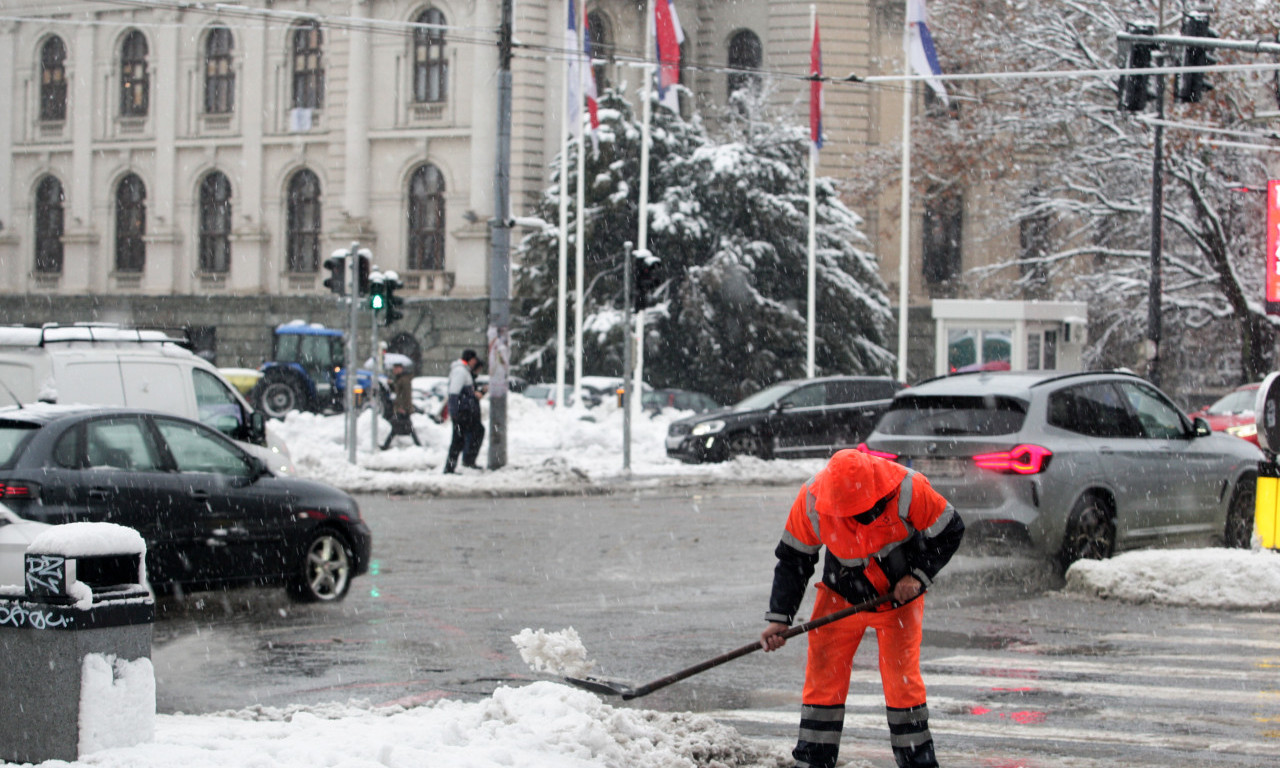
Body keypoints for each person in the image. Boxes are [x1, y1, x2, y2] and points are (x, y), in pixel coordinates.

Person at [760, 448, 964, 768]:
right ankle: (813, 761)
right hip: (839, 593)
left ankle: (918, 763)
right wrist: (779, 617)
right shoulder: (812, 499)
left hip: (897, 599)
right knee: (823, 681)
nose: (853, 518)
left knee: (902, 684)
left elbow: (950, 529)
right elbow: (794, 559)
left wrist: (917, 576)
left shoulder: (908, 488)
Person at [443, 349, 484, 473]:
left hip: (464, 411)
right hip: (462, 412)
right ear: (470, 360)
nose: (475, 362)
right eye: (474, 359)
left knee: (463, 438)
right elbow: (454, 393)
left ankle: (457, 464)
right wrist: (455, 413)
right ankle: (452, 467)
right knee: (458, 440)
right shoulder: (460, 371)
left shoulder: (463, 371)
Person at [380, 361, 420, 450]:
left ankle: (418, 445)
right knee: (399, 428)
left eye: (395, 368)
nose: (394, 370)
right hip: (401, 408)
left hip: (403, 408)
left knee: (401, 427)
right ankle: (418, 444)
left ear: (400, 369)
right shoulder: (400, 379)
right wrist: (391, 384)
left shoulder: (404, 379)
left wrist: (403, 408)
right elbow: (397, 391)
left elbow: (406, 395)